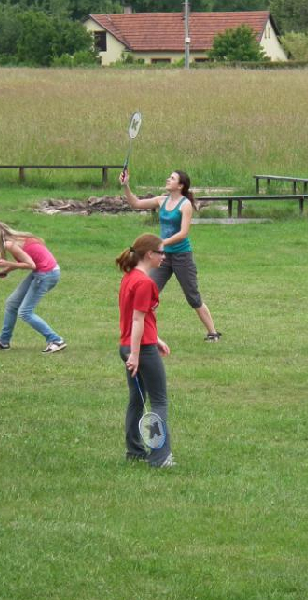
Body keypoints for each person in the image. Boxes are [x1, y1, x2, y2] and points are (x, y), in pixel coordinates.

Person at [119, 169, 222, 342]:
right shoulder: (162, 200)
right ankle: (143, 332)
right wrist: (126, 185)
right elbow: (135, 203)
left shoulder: (185, 205)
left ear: (180, 185)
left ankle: (212, 333)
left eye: (172, 178)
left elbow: (183, 233)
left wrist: (162, 243)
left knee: (192, 297)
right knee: (148, 292)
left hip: (182, 256)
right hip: (163, 257)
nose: (168, 179)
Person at [116, 233, 175, 468]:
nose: (164, 257)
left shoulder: (130, 278)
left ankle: (135, 451)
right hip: (140, 349)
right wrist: (137, 354)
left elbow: (139, 317)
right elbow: (138, 319)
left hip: (129, 345)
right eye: (161, 252)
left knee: (137, 400)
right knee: (159, 401)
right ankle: (160, 457)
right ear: (150, 254)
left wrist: (156, 338)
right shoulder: (145, 283)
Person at [0, 221, 66, 353]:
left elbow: (30, 265)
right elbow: (28, 262)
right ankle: (3, 342)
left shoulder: (9, 244)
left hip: (46, 274)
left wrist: (6, 263)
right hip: (45, 272)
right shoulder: (17, 238)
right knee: (12, 303)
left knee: (25, 312)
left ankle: (56, 340)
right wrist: (5, 271)